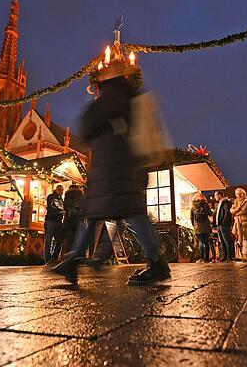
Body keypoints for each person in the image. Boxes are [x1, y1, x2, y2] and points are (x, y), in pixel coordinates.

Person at [52, 55, 170, 285]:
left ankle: (155, 263)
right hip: (124, 166)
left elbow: (86, 127)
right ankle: (76, 260)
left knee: (100, 213)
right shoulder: (133, 96)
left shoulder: (108, 98)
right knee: (126, 212)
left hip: (110, 167)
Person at [230, 188, 247, 262]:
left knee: (245, 239)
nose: (237, 195)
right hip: (238, 223)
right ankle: (243, 256)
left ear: (243, 193)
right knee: (240, 240)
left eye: (239, 193)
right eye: (236, 194)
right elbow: (231, 210)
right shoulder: (235, 201)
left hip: (246, 222)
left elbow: (245, 210)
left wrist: (236, 212)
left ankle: (246, 257)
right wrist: (238, 209)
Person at [43, 185, 65, 264]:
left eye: (62, 190)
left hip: (58, 221)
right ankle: (48, 259)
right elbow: (51, 207)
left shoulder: (61, 199)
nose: (61, 191)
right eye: (59, 189)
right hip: (51, 220)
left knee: (59, 240)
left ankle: (53, 258)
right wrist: (60, 212)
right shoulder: (51, 197)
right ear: (56, 189)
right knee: (49, 240)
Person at [62, 184, 85, 257]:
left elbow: (65, 206)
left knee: (69, 239)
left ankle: (68, 256)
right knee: (77, 239)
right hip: (79, 220)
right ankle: (76, 256)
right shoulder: (81, 195)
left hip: (69, 221)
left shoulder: (68, 194)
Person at [190, 193, 212, 263]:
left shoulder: (193, 206)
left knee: (200, 242)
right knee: (207, 243)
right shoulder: (205, 204)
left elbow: (191, 217)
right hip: (206, 226)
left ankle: (202, 258)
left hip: (198, 227)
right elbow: (210, 213)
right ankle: (207, 258)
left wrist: (194, 225)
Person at [213, 191, 234, 261]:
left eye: (215, 195)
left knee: (226, 241)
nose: (214, 197)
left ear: (220, 195)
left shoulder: (225, 202)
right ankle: (224, 256)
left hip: (223, 225)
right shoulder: (219, 203)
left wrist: (223, 222)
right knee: (222, 241)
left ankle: (229, 257)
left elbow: (227, 213)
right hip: (219, 225)